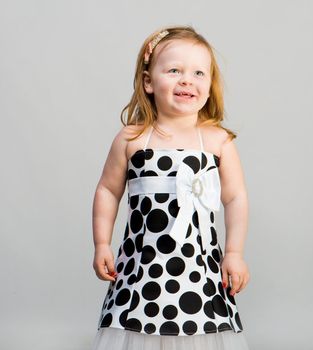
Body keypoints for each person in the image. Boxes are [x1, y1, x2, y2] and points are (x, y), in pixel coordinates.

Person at [90, 25, 251, 350]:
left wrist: (234, 253)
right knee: (139, 323)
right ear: (149, 81)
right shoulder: (132, 139)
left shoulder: (217, 140)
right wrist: (102, 244)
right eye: (174, 70)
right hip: (142, 265)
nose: (186, 80)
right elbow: (108, 190)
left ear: (209, 86)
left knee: (199, 326)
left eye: (198, 73)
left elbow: (235, 197)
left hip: (198, 266)